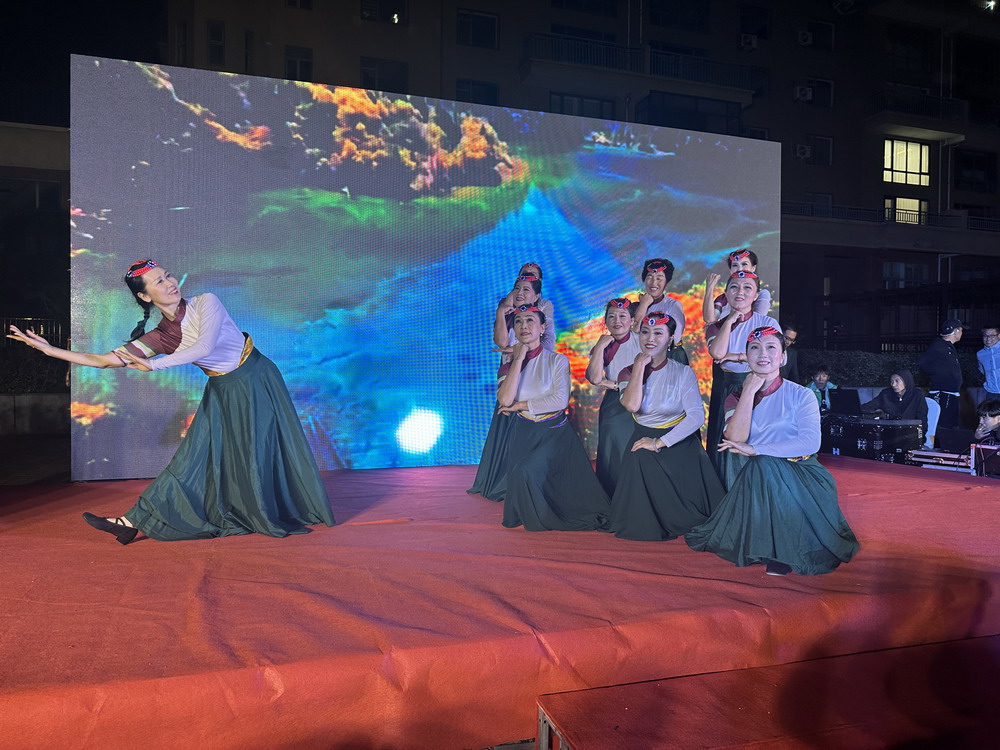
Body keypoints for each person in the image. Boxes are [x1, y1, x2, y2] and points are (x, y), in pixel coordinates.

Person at [7, 259, 335, 544]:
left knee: (258, 451)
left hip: (256, 378)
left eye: (167, 276)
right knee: (193, 457)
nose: (170, 283)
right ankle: (131, 522)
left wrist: (154, 365)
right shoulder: (161, 336)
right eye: (159, 282)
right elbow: (104, 360)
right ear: (145, 296)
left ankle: (271, 509)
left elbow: (204, 347)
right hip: (222, 389)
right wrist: (50, 350)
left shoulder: (206, 303)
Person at [686, 326, 860, 576]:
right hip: (757, 474)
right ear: (746, 356)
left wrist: (757, 448)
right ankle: (769, 544)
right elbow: (735, 437)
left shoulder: (802, 395)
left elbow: (810, 443)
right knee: (762, 465)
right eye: (754, 348)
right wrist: (749, 391)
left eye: (771, 347)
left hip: (801, 472)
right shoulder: (735, 397)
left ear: (783, 357)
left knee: (763, 462)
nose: (762, 354)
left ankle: (783, 550)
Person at [608, 312, 724, 541]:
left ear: (670, 339)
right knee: (640, 456)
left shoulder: (682, 372)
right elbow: (631, 405)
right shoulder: (627, 372)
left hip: (679, 441)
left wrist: (660, 442)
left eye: (658, 333)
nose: (650, 338)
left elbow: (696, 417)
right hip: (643, 436)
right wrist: (639, 368)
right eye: (645, 332)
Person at [498, 305, 611, 531]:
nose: (523, 326)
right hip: (523, 432)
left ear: (542, 328)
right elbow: (505, 399)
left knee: (527, 471)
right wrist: (518, 360)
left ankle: (549, 516)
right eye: (518, 322)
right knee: (521, 473)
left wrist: (521, 405)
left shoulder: (557, 360)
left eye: (530, 320)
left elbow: (559, 401)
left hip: (554, 434)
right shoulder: (509, 364)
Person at [469, 268, 550, 501]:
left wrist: (528, 353)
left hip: (533, 368)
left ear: (537, 292)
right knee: (506, 421)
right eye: (518, 287)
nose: (521, 292)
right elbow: (501, 342)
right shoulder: (507, 310)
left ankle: (528, 479)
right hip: (510, 368)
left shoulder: (544, 309)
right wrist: (501, 311)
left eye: (528, 287)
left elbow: (547, 341)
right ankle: (502, 478)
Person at [704, 271, 780, 470]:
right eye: (734, 287)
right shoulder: (716, 326)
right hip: (728, 387)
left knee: (756, 440)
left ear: (756, 295)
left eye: (747, 288)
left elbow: (777, 358)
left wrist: (736, 356)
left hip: (760, 387)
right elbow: (717, 353)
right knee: (726, 440)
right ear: (726, 293)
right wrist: (729, 321)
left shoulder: (767, 324)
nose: (740, 292)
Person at [587, 297, 641, 495]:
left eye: (622, 316)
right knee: (613, 448)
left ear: (632, 320)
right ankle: (614, 495)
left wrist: (615, 384)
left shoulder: (642, 340)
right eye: (611, 317)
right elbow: (594, 378)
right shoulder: (604, 346)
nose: (617, 321)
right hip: (614, 404)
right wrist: (600, 347)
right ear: (606, 321)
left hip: (642, 400)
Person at [632, 258, 688, 364]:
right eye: (650, 277)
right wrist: (644, 305)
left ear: (666, 282)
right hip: (642, 358)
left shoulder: (673, 305)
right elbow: (633, 334)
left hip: (670, 358)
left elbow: (675, 339)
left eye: (659, 278)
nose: (654, 283)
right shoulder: (636, 306)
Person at [918, 318, 967, 434]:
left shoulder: (948, 346)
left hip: (951, 394)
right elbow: (922, 363)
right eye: (961, 330)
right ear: (955, 331)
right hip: (942, 393)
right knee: (943, 425)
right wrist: (939, 375)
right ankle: (938, 444)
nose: (962, 333)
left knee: (952, 424)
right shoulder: (939, 346)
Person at [701, 248, 773, 325]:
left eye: (744, 264)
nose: (740, 269)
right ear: (730, 270)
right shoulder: (723, 298)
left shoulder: (761, 294)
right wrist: (710, 287)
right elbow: (710, 319)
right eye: (735, 265)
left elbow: (755, 322)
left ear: (753, 268)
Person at [498, 262, 556, 352]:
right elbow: (502, 343)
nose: (528, 278)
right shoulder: (504, 304)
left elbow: (549, 342)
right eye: (524, 275)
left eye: (532, 276)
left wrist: (523, 351)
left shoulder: (544, 305)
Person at [862, 369, 928, 440]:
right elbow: (869, 406)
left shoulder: (917, 395)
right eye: (891, 381)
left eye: (897, 381)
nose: (893, 384)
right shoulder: (886, 394)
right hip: (889, 435)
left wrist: (919, 437)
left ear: (906, 381)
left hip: (910, 435)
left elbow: (922, 420)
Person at [978, 325, 1000, 403]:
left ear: (999, 336)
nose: (988, 339)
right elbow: (983, 371)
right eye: (985, 336)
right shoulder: (980, 354)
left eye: (992, 336)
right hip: (992, 394)